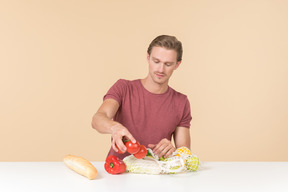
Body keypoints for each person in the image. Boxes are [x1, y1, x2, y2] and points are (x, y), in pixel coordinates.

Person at [91, 35, 192, 160]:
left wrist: (172, 151)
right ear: (148, 58)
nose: (160, 69)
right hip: (119, 172)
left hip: (157, 174)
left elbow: (185, 153)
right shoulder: (124, 87)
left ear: (177, 65)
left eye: (168, 64)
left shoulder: (181, 102)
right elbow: (97, 119)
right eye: (156, 61)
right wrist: (115, 128)